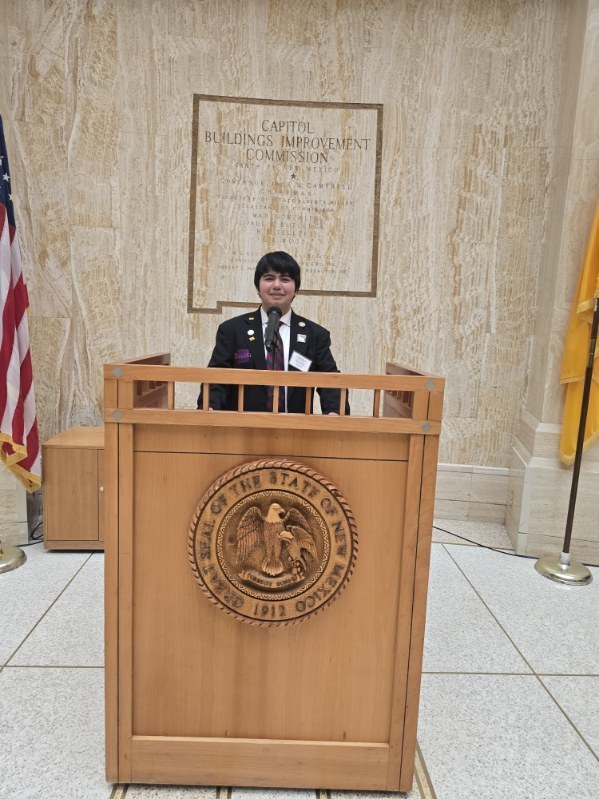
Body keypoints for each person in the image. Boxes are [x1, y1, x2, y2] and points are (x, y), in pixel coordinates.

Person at [198, 251, 350, 414]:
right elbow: (216, 379)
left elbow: (331, 381)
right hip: (241, 432)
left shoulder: (315, 335)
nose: (277, 285)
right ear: (258, 287)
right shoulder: (232, 330)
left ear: (296, 289)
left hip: (295, 432)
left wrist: (334, 412)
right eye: (269, 278)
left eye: (285, 279)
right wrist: (210, 407)